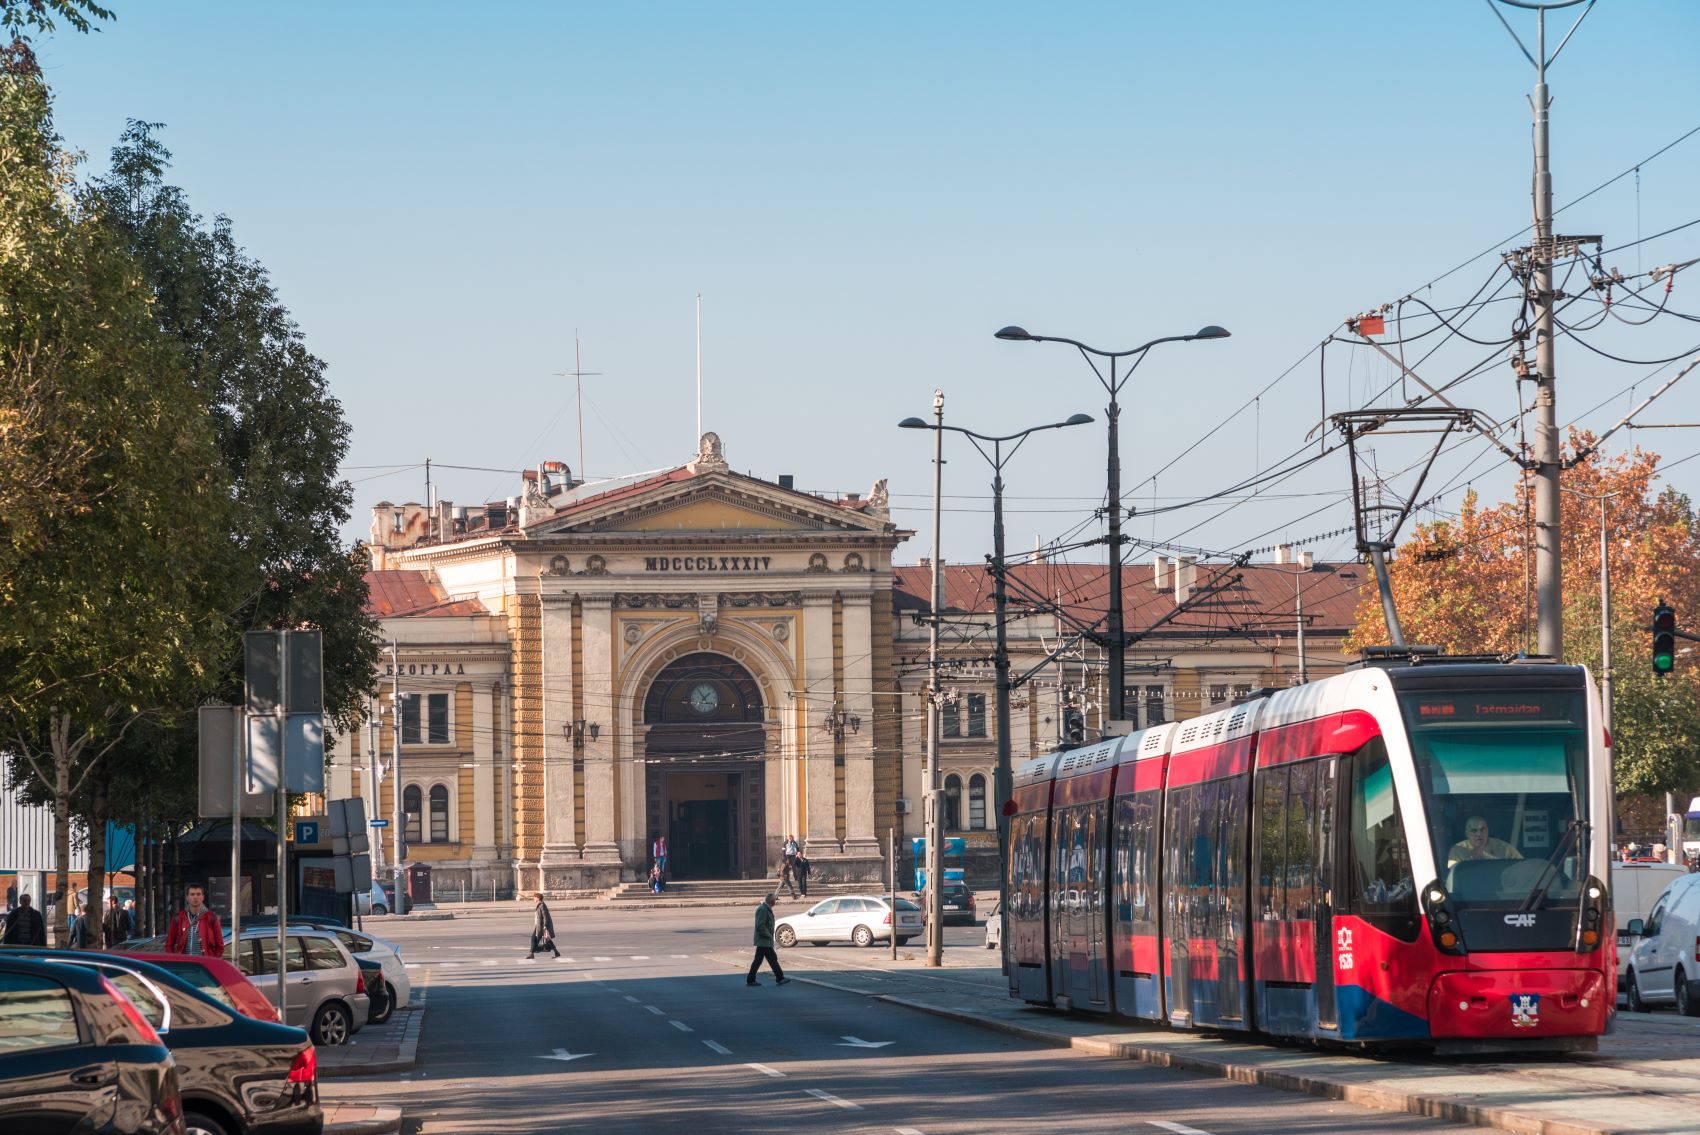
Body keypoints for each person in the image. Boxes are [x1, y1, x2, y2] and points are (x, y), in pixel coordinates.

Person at [165, 884, 226, 957]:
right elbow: (169, 944)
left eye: (198, 894)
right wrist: (175, 961)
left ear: (203, 897)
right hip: (184, 964)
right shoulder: (178, 918)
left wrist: (213, 962)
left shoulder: (211, 918)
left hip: (204, 965)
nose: (195, 897)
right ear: (187, 897)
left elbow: (220, 946)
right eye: (192, 894)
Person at [746, 892, 790, 987]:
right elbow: (760, 925)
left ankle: (750, 979)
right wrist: (768, 936)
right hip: (764, 940)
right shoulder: (763, 910)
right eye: (775, 900)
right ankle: (780, 978)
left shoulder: (767, 909)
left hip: (764, 941)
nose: (775, 902)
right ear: (771, 901)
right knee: (772, 959)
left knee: (759, 961)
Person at [1447, 816, 1523, 869]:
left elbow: (1523, 867)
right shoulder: (1458, 850)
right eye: (1474, 830)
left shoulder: (1504, 848)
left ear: (1487, 830)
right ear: (1467, 833)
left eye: (1482, 829)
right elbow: (1454, 874)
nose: (1479, 834)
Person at [528, 892, 560, 959]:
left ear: (538, 898)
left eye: (534, 897)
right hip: (539, 925)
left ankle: (532, 953)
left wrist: (545, 926)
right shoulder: (539, 905)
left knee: (534, 938)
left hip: (542, 926)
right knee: (547, 939)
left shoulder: (542, 905)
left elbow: (545, 917)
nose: (533, 899)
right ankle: (556, 952)